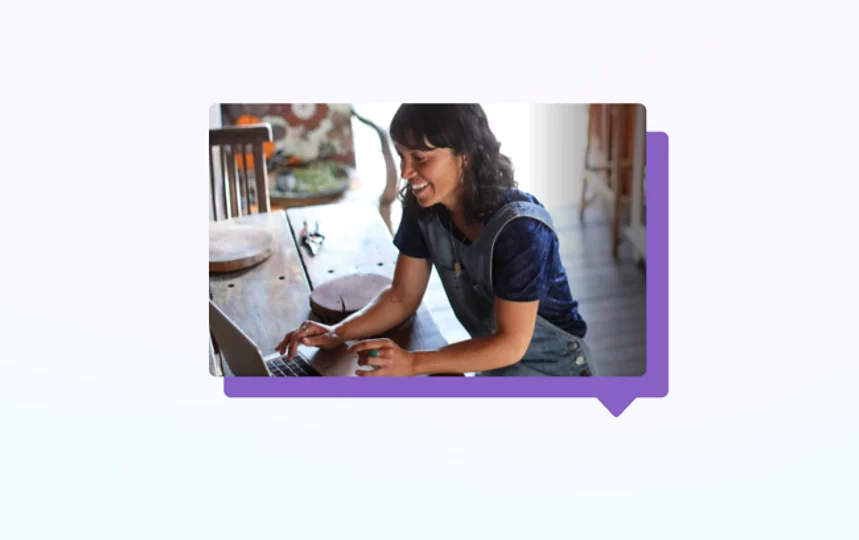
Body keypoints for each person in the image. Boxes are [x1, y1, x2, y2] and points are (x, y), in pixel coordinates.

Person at [275, 104, 594, 377]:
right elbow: (402, 296)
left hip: (557, 374)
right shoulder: (425, 208)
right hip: (496, 369)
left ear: (465, 155)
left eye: (420, 158)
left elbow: (510, 344)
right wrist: (337, 333)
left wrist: (413, 362)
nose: (405, 172)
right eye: (401, 156)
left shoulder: (522, 230)